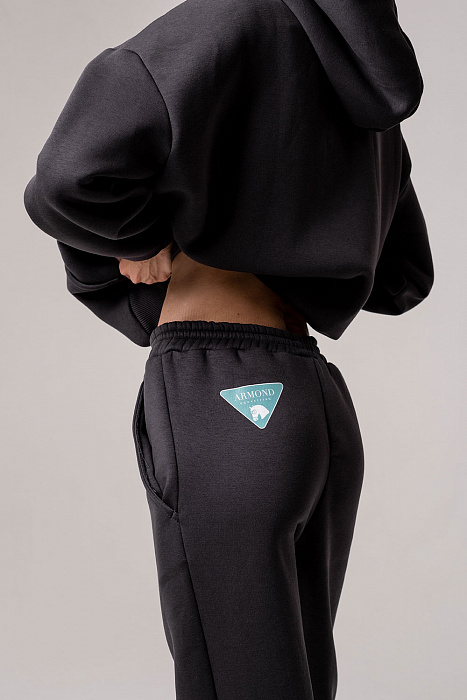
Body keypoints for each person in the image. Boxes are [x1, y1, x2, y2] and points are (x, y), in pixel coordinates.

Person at [23, 1, 434, 698]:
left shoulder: (224, 22)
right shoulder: (366, 84)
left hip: (221, 398)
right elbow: (402, 275)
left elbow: (67, 176)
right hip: (313, 406)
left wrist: (138, 238)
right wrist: (295, 237)